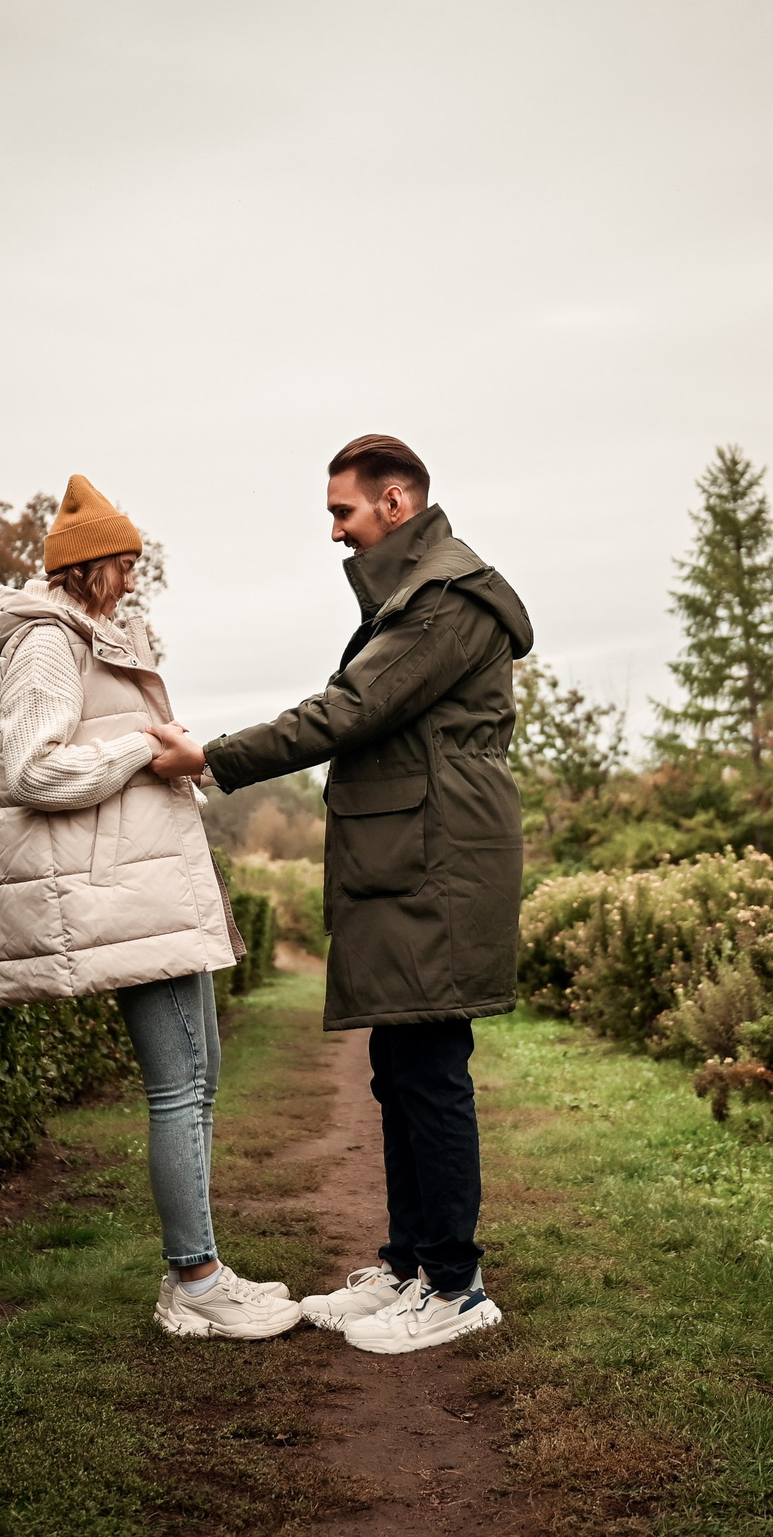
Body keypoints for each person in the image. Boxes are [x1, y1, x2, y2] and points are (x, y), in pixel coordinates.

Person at [202, 435, 534, 1354]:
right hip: (412, 859)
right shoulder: (411, 596)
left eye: (343, 513)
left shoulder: (444, 602)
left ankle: (458, 1286)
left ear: (397, 503)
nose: (336, 533)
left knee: (430, 1070)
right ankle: (410, 1265)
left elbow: (347, 709)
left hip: (440, 864)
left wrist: (213, 756)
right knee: (399, 1065)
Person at [0, 473, 301, 1340]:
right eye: (122, 562)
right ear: (88, 567)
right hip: (120, 894)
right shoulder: (47, 644)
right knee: (177, 1086)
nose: (131, 577)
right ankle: (193, 1283)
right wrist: (133, 754)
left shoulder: (99, 634)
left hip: (150, 884)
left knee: (200, 1080)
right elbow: (32, 769)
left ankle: (204, 1270)